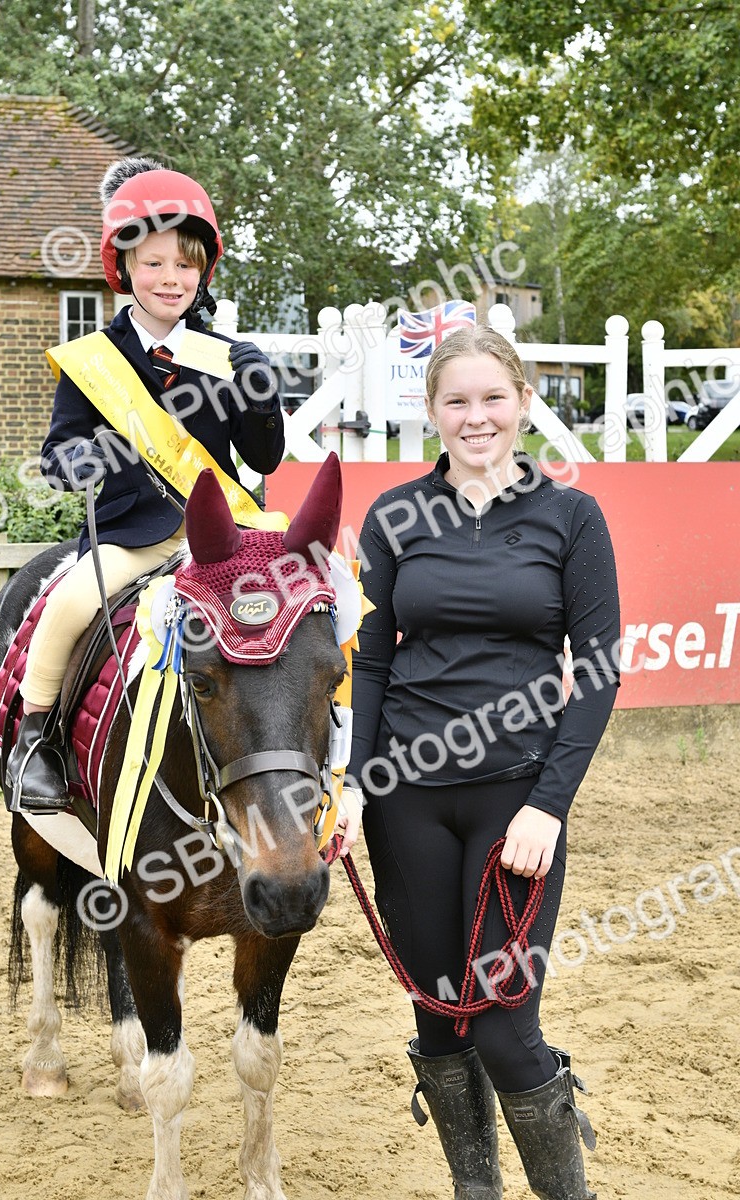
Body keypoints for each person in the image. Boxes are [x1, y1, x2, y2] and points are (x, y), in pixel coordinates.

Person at [348, 325, 620, 1199]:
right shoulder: (393, 516)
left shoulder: (570, 515)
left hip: (516, 802)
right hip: (406, 800)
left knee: (503, 1024)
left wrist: (550, 804)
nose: (476, 418)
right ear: (430, 412)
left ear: (524, 403)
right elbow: (372, 658)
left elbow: (600, 667)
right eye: (455, 401)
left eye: (492, 398)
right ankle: (476, 1190)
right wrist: (353, 783)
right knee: (439, 1019)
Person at [6, 156, 285, 812]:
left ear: (203, 272)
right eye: (154, 262)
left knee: (300, 607)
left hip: (219, 536)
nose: (170, 278)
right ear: (124, 267)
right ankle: (35, 738)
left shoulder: (223, 357)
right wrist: (83, 462)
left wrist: (261, 391)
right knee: (73, 599)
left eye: (185, 265)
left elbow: (263, 457)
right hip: (132, 534)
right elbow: (57, 456)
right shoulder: (92, 361)